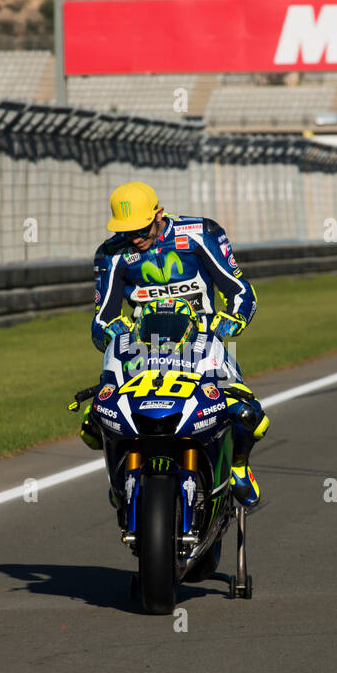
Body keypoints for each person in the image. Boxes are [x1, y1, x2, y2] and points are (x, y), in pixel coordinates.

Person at [84, 181, 268, 505]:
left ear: (158, 213)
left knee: (250, 416)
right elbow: (101, 319)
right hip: (141, 349)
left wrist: (233, 319)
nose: (135, 238)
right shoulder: (111, 254)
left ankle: (237, 464)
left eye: (141, 229)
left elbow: (240, 290)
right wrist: (114, 330)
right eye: (127, 232)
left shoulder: (200, 233)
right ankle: (123, 478)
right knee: (94, 421)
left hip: (203, 344)